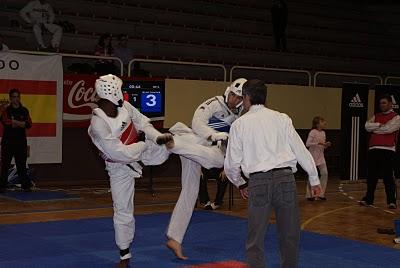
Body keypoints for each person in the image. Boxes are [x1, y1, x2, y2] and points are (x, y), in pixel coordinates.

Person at [88, 74, 225, 267]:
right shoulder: (98, 124)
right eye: (120, 89)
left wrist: (157, 137)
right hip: (119, 167)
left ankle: (216, 156)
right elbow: (121, 154)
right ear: (113, 93)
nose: (123, 92)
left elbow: (143, 123)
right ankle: (124, 255)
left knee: (181, 138)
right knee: (122, 210)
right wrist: (145, 145)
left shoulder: (125, 107)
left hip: (145, 150)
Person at [224, 79, 321, 268]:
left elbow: (232, 162)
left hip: (258, 182)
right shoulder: (282, 118)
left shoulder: (240, 124)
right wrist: (314, 178)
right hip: (285, 180)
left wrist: (240, 183)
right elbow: (301, 150)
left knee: (255, 238)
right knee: (290, 235)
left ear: (247, 97)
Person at [165, 78, 247, 259]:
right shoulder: (213, 103)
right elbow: (197, 123)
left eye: (239, 98)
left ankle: (174, 238)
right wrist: (214, 135)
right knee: (215, 159)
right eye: (233, 95)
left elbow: (234, 144)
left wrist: (240, 181)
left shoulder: (240, 116)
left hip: (197, 153)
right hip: (193, 141)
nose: (235, 100)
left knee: (191, 192)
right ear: (228, 92)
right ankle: (173, 143)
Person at [360, 94, 400, 209]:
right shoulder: (376, 116)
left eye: (384, 103)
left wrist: (376, 129)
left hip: (388, 150)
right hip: (373, 149)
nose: (382, 105)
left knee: (388, 177)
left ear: (390, 104)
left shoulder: (396, 117)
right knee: (371, 177)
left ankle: (391, 201)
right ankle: (369, 199)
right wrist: (378, 125)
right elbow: (367, 126)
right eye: (380, 103)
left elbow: (389, 129)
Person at [0, 89, 32, 193]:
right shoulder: (6, 110)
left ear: (20, 98)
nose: (16, 99)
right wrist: (20, 123)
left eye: (17, 96)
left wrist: (15, 122)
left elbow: (28, 124)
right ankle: (2, 186)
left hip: (21, 142)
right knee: (5, 165)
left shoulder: (24, 110)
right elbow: (6, 122)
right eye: (13, 97)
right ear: (10, 98)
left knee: (21, 164)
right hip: (8, 142)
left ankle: (25, 185)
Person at [305, 116, 331, 201]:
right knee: (312, 175)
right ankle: (310, 195)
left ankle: (321, 194)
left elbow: (322, 146)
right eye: (322, 121)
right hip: (312, 156)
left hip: (321, 157)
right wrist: (319, 143)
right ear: (317, 124)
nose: (324, 123)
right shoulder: (313, 132)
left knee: (325, 173)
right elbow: (308, 144)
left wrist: (325, 145)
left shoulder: (323, 133)